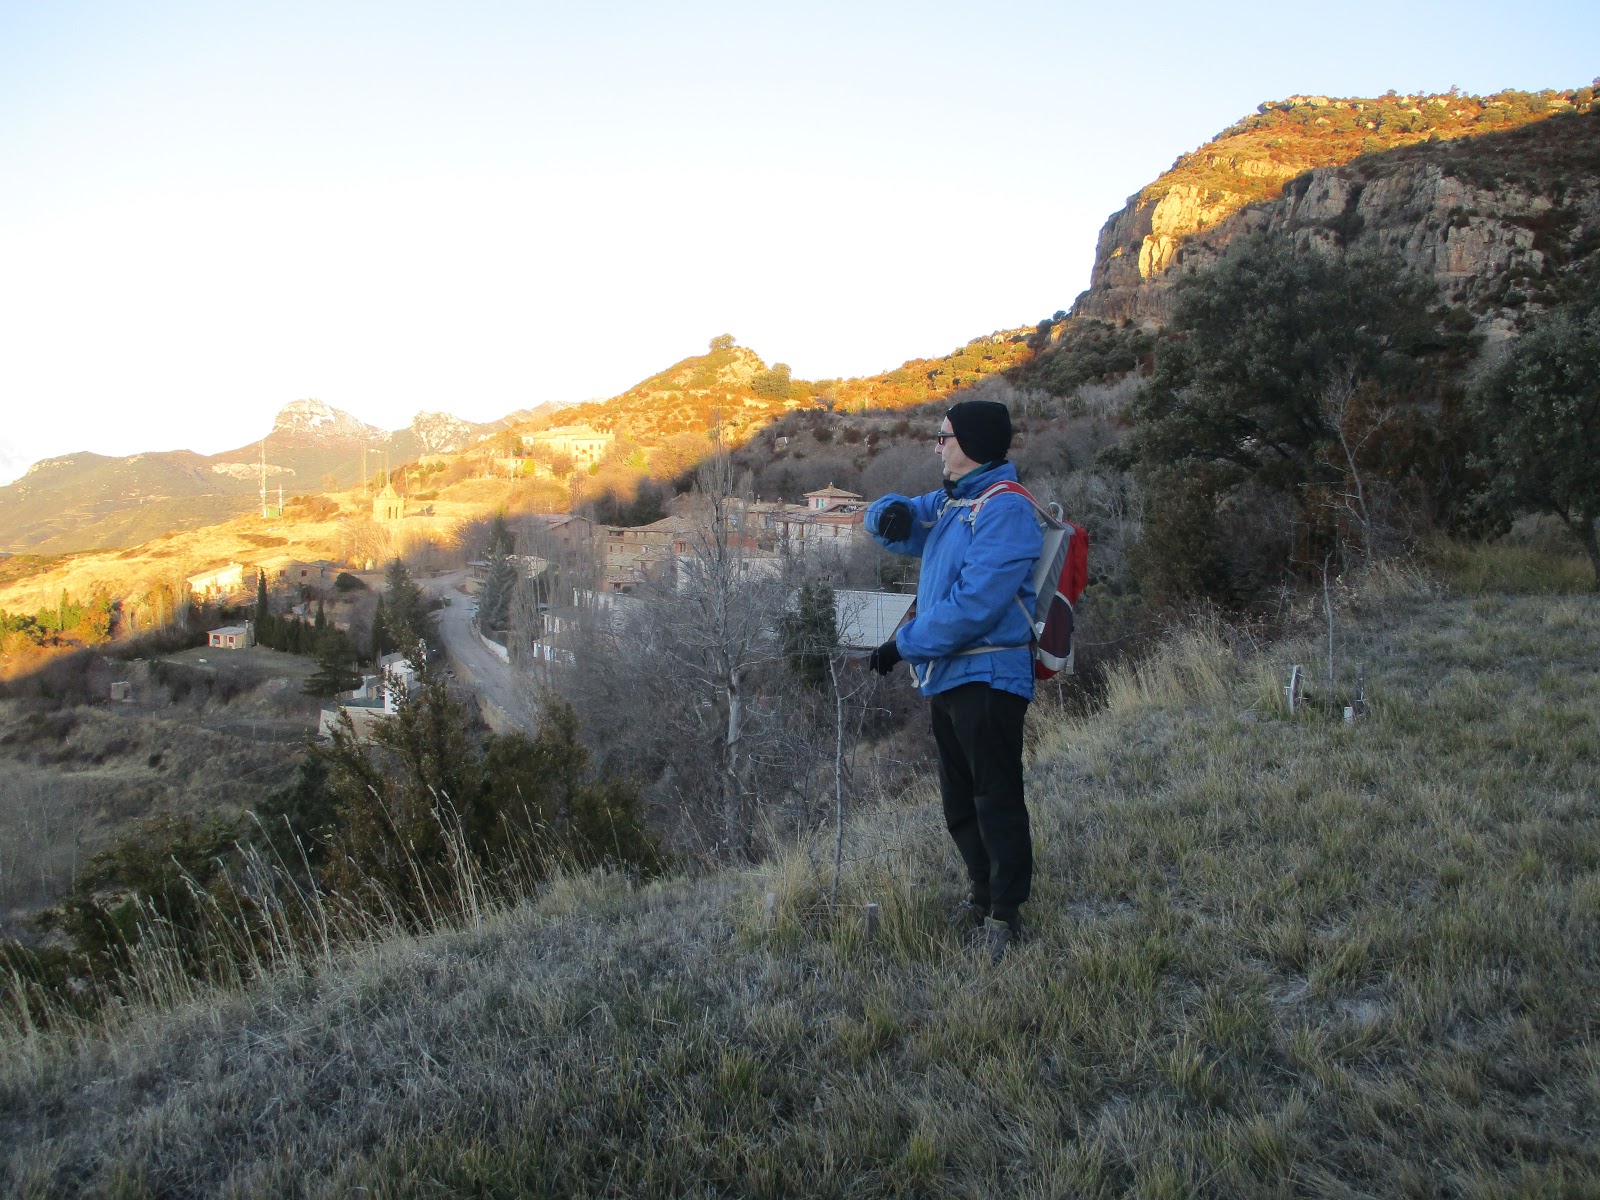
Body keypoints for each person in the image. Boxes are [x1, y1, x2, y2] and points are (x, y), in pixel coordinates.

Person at [864, 399, 1043, 961]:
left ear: (970, 442)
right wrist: (885, 514)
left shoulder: (1005, 510)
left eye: (943, 437)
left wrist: (903, 643)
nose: (936, 446)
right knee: (959, 799)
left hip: (990, 674)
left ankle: (1005, 916)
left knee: (995, 796)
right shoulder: (952, 502)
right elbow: (897, 519)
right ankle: (981, 893)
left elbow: (975, 606)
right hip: (949, 675)